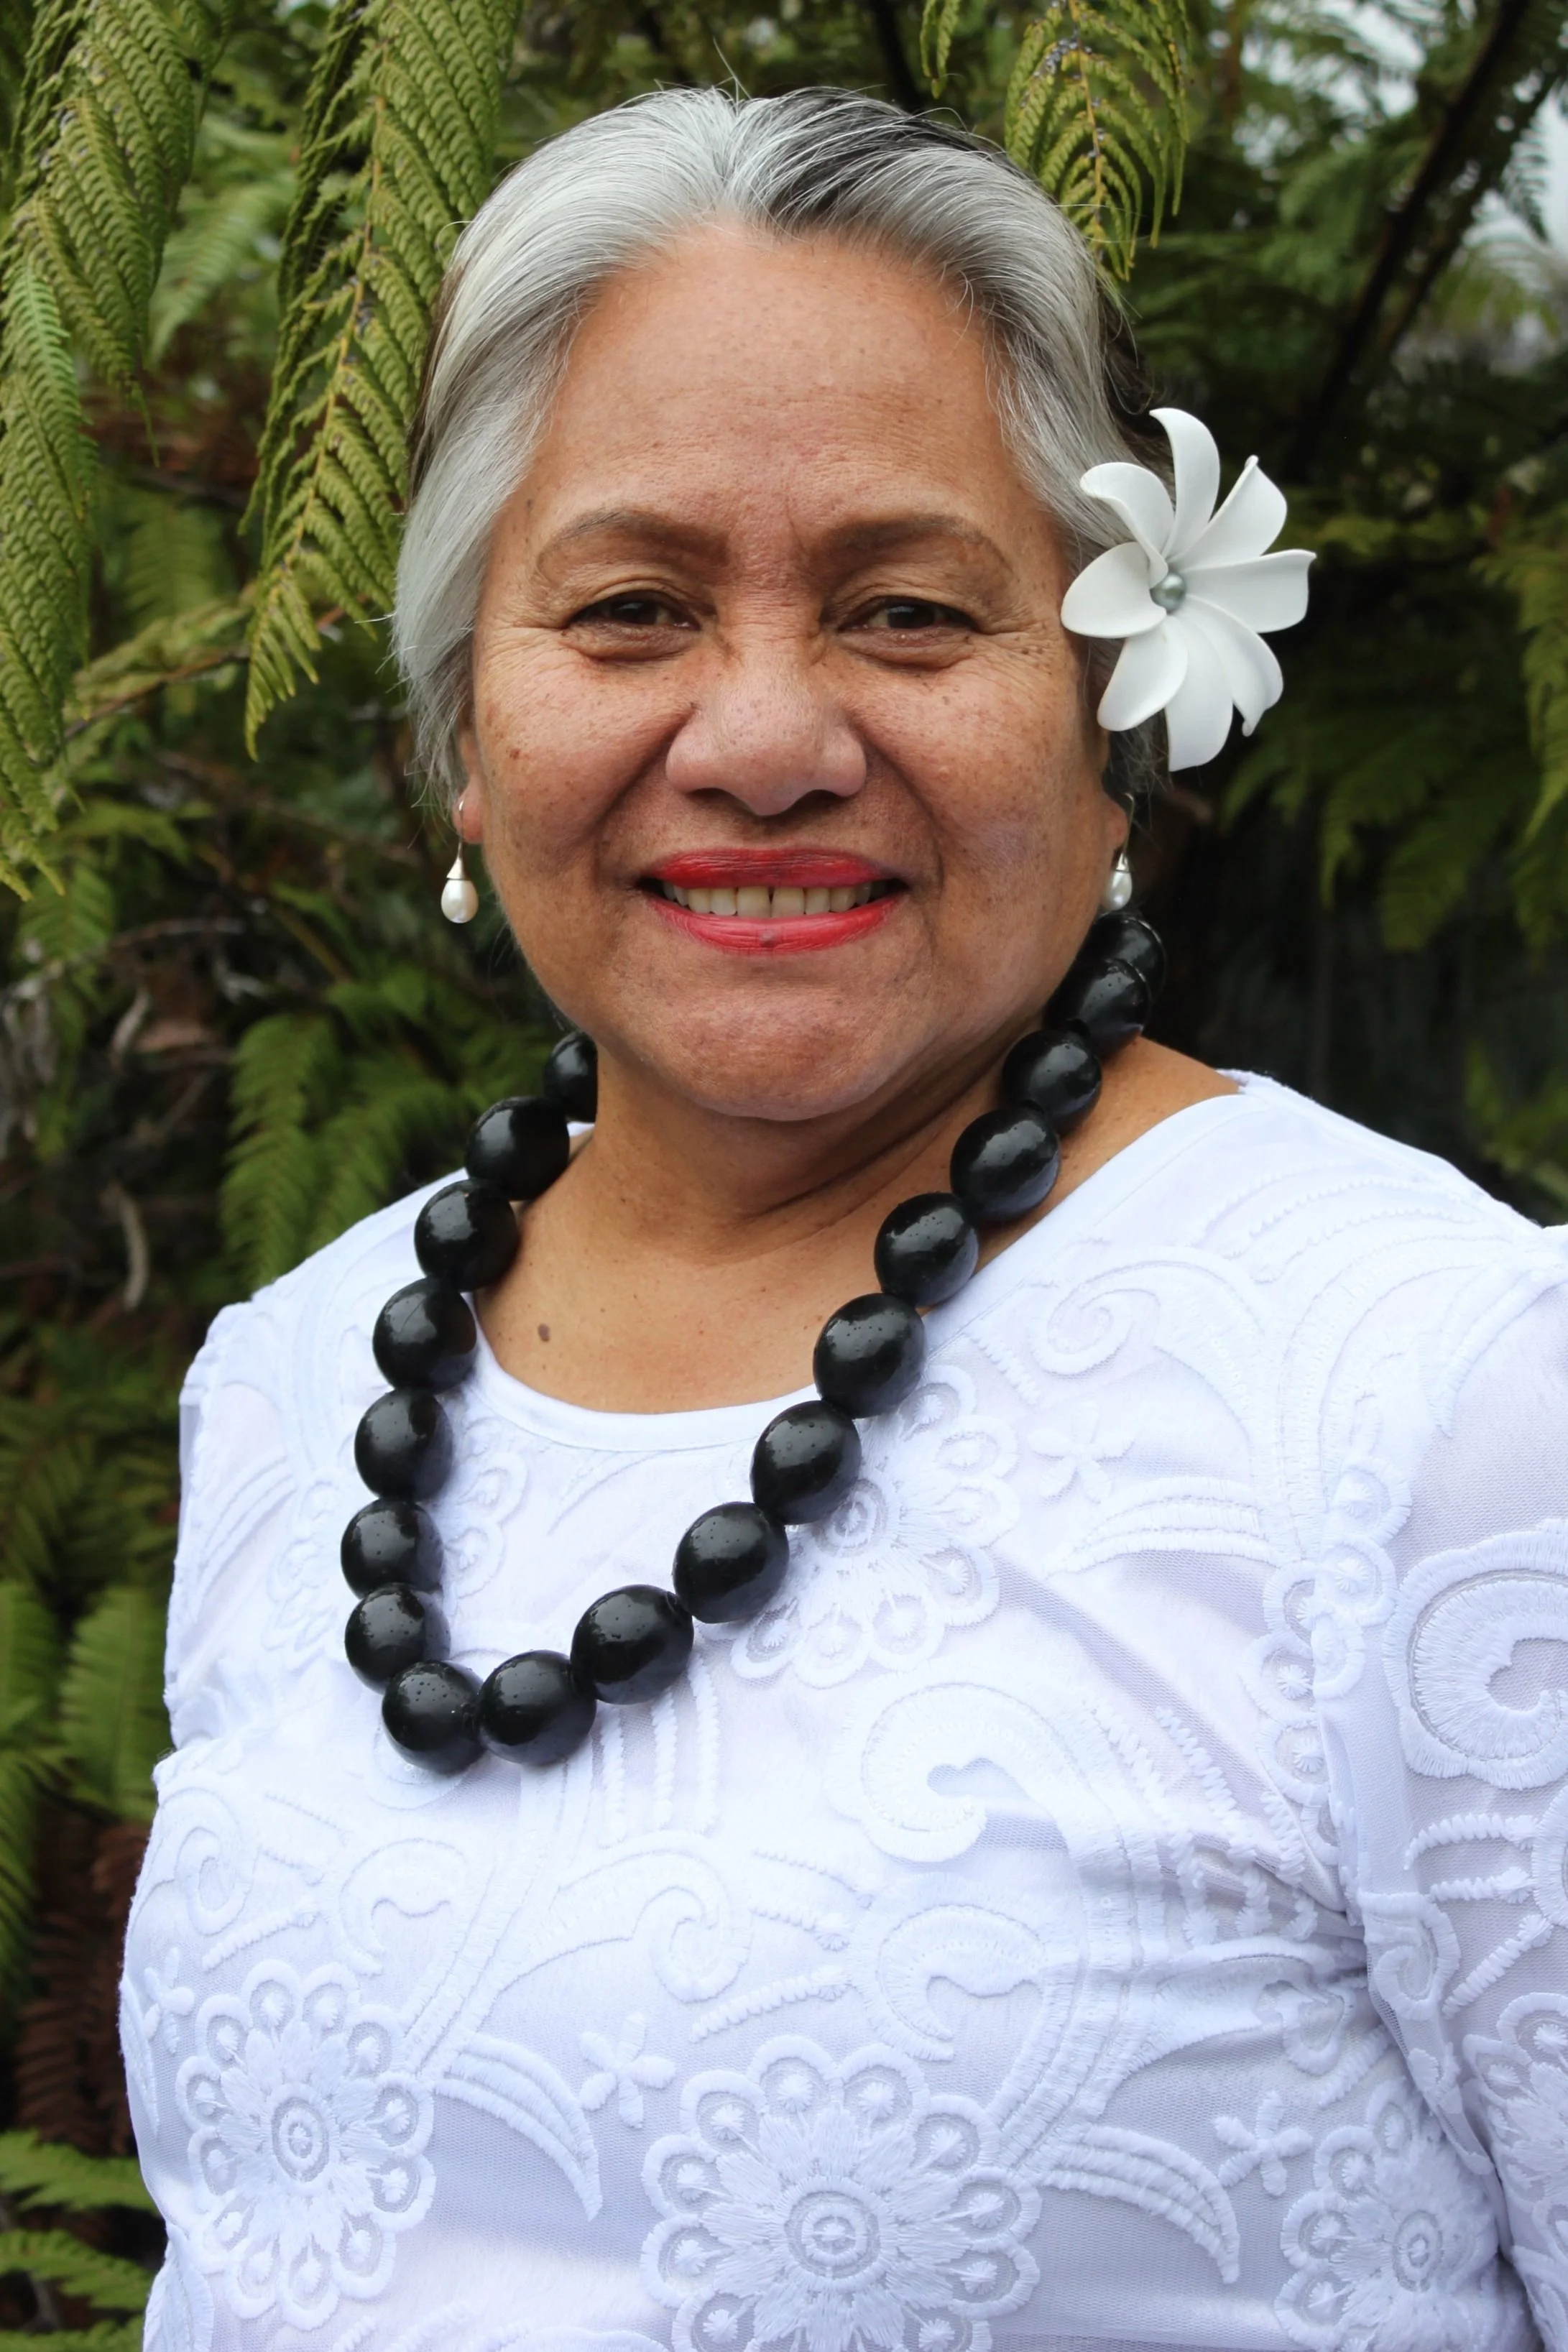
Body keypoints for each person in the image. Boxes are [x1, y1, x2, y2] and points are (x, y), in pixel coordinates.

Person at [122, 86, 1568, 2352]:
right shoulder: (298, 1383)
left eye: (905, 610)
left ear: (1113, 707)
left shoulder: (1444, 1404)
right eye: (626, 609)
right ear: (466, 737)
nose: (766, 735)